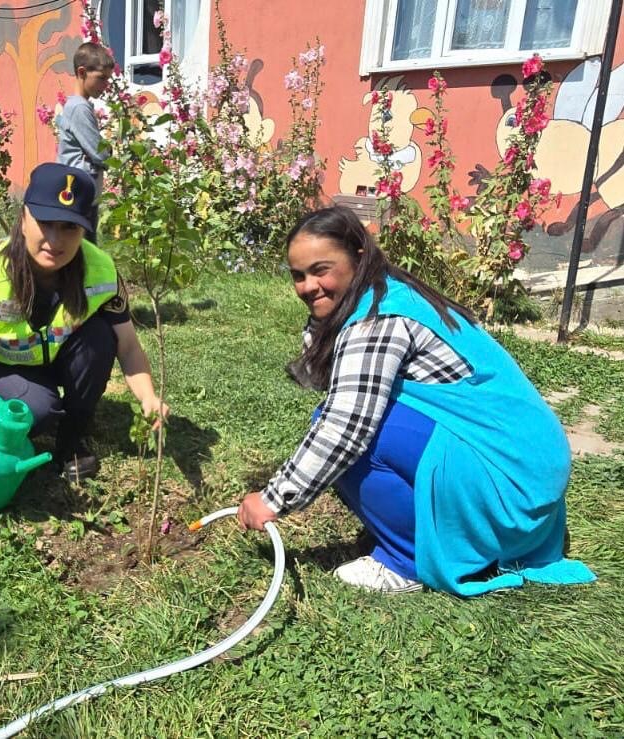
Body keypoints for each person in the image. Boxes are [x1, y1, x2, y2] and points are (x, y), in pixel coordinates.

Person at [237, 206, 595, 597]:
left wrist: (273, 500)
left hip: (513, 486)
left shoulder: (377, 321)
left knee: (349, 431)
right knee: (355, 421)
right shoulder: (386, 291)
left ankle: (408, 560)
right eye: (298, 276)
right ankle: (457, 534)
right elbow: (326, 376)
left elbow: (345, 428)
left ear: (358, 257)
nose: (308, 286)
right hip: (528, 472)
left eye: (321, 270)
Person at [0, 162, 167, 483]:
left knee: (101, 337)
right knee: (37, 413)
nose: (55, 239)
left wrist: (148, 397)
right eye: (45, 222)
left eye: (69, 227)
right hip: (7, 366)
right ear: (23, 219)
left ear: (84, 230)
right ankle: (34, 412)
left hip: (64, 355)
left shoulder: (101, 271)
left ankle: (73, 438)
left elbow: (129, 347)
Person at [56, 42, 114, 245]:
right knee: (84, 249)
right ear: (82, 72)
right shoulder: (79, 108)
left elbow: (94, 150)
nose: (105, 85)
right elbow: (101, 154)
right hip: (80, 190)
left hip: (82, 188)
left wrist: (97, 150)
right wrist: (107, 151)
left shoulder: (79, 105)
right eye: (101, 78)